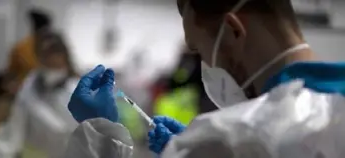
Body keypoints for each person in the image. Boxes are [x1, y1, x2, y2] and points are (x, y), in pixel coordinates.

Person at [65, 0, 345, 158]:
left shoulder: (236, 138)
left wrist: (99, 133)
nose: (204, 65)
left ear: (234, 31)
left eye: (199, 50)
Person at [0, 32, 79, 158]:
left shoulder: (79, 90)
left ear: (64, 57)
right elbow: (13, 131)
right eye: (44, 57)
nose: (49, 61)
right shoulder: (29, 88)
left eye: (53, 56)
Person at [6, 8, 52, 90]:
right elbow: (11, 74)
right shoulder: (21, 48)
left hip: (39, 93)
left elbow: (10, 73)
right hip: (25, 92)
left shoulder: (20, 47)